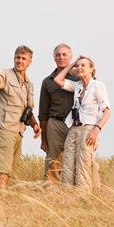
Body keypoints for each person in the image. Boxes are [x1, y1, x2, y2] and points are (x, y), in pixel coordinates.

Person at [0, 45, 41, 189]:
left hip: (18, 132)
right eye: (18, 57)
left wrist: (35, 124)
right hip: (4, 129)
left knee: (12, 173)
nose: (20, 61)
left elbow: (27, 109)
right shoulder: (4, 74)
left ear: (30, 62)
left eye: (24, 58)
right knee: (2, 171)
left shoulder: (29, 85)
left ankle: (7, 205)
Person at [54, 55, 110, 192]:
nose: (79, 68)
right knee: (67, 162)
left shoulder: (97, 85)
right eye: (77, 66)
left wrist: (96, 131)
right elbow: (58, 80)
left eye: (83, 65)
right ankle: (67, 194)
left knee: (83, 163)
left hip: (89, 128)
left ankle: (82, 196)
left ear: (91, 69)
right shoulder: (77, 85)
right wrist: (71, 64)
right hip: (73, 127)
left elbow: (107, 111)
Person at [38, 43, 78, 182]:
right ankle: (50, 191)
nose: (61, 57)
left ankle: (84, 193)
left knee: (80, 159)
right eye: (58, 55)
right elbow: (43, 112)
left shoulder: (80, 77)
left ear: (71, 57)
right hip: (55, 124)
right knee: (53, 160)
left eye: (64, 54)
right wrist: (43, 138)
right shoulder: (47, 81)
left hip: (77, 124)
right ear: (54, 58)